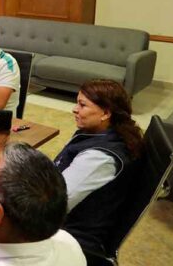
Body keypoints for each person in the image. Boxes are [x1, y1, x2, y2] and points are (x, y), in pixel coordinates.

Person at [54, 79, 144, 257]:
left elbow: (53, 205)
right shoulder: (105, 134)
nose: (74, 109)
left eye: (82, 105)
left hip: (71, 236)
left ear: (105, 113)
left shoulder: (100, 158)